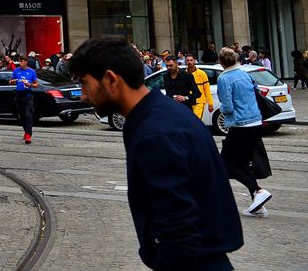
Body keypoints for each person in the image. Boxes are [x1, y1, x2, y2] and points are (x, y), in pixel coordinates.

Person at [70, 35, 242, 271]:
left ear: (111, 79)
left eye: (85, 84)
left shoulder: (154, 133)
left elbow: (179, 234)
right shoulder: (166, 113)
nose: (83, 95)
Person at [216, 46, 272, 218]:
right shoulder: (246, 74)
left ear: (221, 62)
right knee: (242, 165)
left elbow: (227, 107)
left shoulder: (224, 78)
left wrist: (222, 109)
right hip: (256, 123)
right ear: (236, 59)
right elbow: (256, 94)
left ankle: (258, 191)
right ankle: (259, 205)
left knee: (225, 165)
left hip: (240, 126)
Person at [11, 60, 39, 144]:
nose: (20, 63)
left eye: (22, 61)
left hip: (28, 96)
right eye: (19, 62)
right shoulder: (16, 71)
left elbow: (36, 84)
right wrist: (12, 82)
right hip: (19, 96)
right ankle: (26, 131)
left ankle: (28, 135)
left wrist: (30, 85)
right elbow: (10, 82)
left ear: (26, 62)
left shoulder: (31, 71)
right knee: (22, 116)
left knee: (28, 115)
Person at [185, 55, 213, 121]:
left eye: (191, 60)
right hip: (188, 101)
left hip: (199, 102)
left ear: (194, 61)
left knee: (196, 120)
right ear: (185, 62)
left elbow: (207, 89)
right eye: (188, 60)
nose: (189, 62)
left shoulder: (202, 73)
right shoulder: (184, 74)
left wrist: (210, 103)